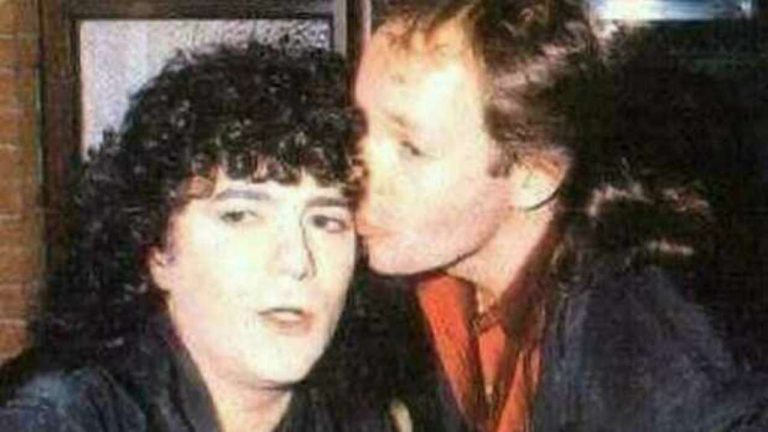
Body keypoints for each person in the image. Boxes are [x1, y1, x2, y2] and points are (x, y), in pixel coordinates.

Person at [354, 0, 768, 431]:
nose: (355, 171)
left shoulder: (643, 354)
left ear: (535, 174)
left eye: (410, 148)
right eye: (360, 126)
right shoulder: (424, 290)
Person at [0, 42, 396, 431]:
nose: (297, 261)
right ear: (158, 250)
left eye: (326, 221)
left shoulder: (359, 415)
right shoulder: (61, 416)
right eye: (241, 216)